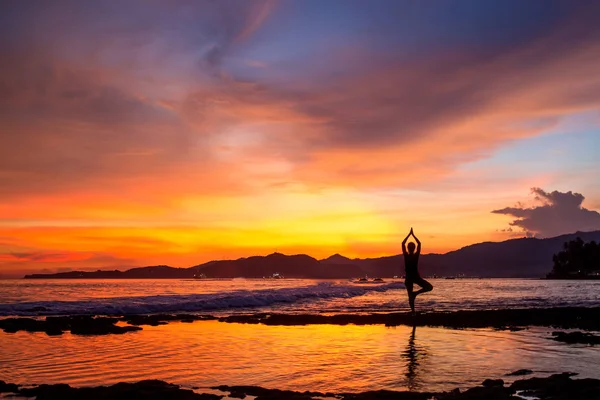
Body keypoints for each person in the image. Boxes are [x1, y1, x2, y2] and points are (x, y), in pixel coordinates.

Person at [402, 228, 433, 313]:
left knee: (411, 296)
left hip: (413, 277)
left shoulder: (408, 256)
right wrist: (413, 235)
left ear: (409, 248)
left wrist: (409, 234)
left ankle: (413, 310)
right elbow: (419, 243)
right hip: (412, 278)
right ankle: (413, 310)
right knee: (428, 287)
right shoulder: (413, 255)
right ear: (413, 248)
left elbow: (403, 243)